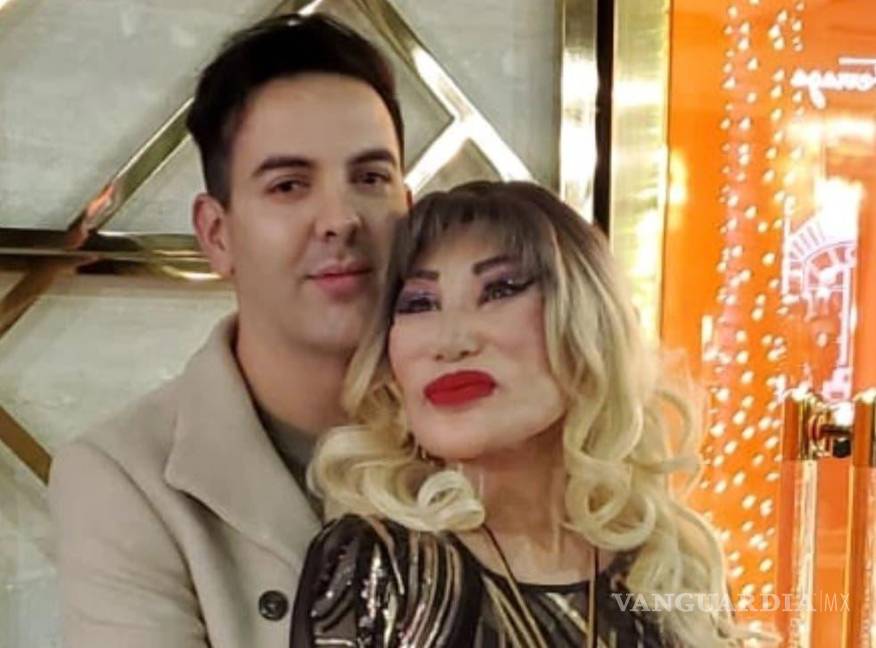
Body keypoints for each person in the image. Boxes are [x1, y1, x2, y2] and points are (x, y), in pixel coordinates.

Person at [48, 13, 409, 648]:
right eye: (289, 185)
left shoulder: (488, 426)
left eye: (371, 178)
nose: (341, 218)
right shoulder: (122, 476)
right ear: (217, 234)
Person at [290, 181, 766, 647]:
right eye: (419, 303)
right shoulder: (385, 567)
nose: (451, 342)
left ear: (588, 322)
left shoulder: (671, 568)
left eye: (499, 290)